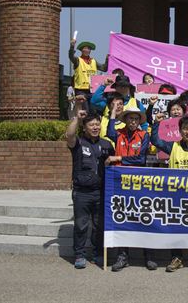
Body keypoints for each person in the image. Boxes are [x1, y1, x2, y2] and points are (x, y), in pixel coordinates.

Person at [151, 114, 188, 273]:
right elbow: (155, 141)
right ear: (180, 130)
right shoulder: (173, 146)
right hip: (175, 196)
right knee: (175, 228)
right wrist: (156, 123)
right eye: (185, 128)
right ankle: (176, 258)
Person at [105, 106, 155, 271]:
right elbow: (109, 130)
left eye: (136, 119)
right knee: (122, 218)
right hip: (120, 183)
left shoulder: (144, 135)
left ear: (139, 121)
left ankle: (148, 255)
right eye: (130, 119)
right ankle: (122, 256)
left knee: (144, 217)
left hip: (139, 182)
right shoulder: (118, 133)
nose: (133, 122)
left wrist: (118, 157)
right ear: (125, 120)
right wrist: (113, 113)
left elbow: (140, 159)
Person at [65, 106, 114, 269]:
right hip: (82, 193)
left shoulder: (106, 144)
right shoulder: (78, 142)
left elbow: (114, 165)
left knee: (99, 226)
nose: (95, 127)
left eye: (97, 124)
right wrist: (76, 119)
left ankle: (98, 253)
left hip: (101, 192)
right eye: (91, 125)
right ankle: (79, 255)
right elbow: (69, 135)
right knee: (81, 225)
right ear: (85, 128)